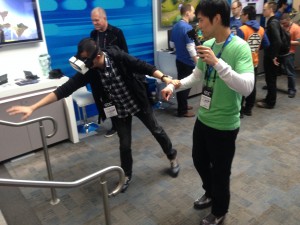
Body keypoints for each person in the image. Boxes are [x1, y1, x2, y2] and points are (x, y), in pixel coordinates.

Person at [7, 37, 180, 193]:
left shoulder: (117, 57)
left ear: (97, 56)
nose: (83, 63)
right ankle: (126, 175)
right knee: (125, 145)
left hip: (138, 103)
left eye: (85, 59)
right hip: (118, 111)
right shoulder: (90, 71)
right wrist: (33, 107)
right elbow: (64, 90)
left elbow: (145, 66)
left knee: (157, 130)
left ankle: (172, 158)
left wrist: (165, 78)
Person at [162, 0, 254, 224]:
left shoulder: (240, 47)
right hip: (204, 119)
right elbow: (197, 76)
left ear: (217, 18)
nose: (198, 24)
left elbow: (247, 87)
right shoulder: (209, 44)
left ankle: (220, 210)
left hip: (224, 125)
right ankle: (211, 193)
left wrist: (218, 63)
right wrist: (174, 85)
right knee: (199, 160)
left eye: (201, 20)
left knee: (221, 172)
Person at [90, 7, 128, 138]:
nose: (94, 23)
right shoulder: (93, 35)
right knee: (107, 101)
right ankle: (114, 125)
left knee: (119, 99)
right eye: (92, 21)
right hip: (100, 75)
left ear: (104, 18)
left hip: (116, 75)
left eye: (96, 20)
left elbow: (125, 54)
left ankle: (124, 120)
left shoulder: (117, 33)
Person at [237, 5, 270, 117]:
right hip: (254, 62)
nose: (241, 17)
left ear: (246, 15)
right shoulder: (261, 29)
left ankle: (239, 110)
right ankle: (249, 108)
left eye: (242, 14)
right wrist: (255, 49)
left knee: (241, 86)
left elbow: (238, 47)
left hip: (242, 63)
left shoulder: (242, 29)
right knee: (252, 86)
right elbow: (266, 44)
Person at [169, 3, 197, 117]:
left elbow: (171, 44)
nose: (194, 15)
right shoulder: (188, 28)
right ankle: (182, 111)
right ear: (187, 13)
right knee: (184, 86)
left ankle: (183, 106)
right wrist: (197, 62)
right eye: (193, 12)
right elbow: (191, 47)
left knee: (181, 84)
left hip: (179, 60)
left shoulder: (175, 26)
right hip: (187, 62)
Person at [257, 1, 284, 109]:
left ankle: (270, 102)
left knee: (271, 79)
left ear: (271, 10)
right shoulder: (273, 22)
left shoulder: (273, 23)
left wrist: (273, 56)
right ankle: (269, 98)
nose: (263, 11)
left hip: (271, 57)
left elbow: (277, 41)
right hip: (271, 56)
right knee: (269, 78)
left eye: (265, 9)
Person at [280, 13, 300, 98]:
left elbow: (298, 42)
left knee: (290, 73)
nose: (283, 25)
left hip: (289, 53)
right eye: (282, 23)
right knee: (274, 70)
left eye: (285, 23)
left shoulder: (296, 28)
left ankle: (292, 89)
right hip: (280, 52)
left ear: (289, 20)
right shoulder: (282, 26)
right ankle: (271, 86)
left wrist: (288, 42)